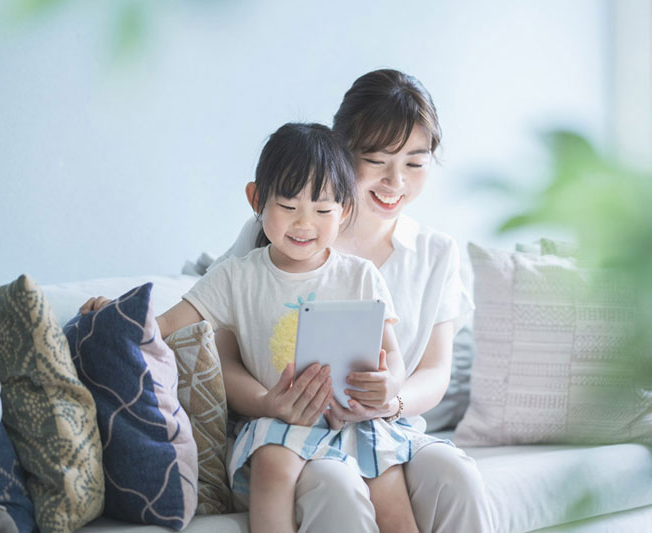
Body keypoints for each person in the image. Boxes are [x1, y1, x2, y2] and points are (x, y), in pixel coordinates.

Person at [82, 122, 436, 533]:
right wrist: (116, 312)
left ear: (345, 211)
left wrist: (390, 385)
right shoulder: (236, 277)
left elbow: (391, 353)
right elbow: (165, 324)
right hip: (278, 419)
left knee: (389, 485)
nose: (304, 224)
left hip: (355, 418)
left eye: (322, 210)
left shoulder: (361, 276)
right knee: (271, 464)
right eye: (288, 207)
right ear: (256, 199)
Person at [214, 69, 493, 532]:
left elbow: (436, 371)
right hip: (293, 434)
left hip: (389, 428)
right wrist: (270, 402)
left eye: (415, 163)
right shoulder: (283, 233)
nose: (395, 181)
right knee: (338, 487)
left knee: (457, 477)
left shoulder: (436, 252)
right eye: (377, 159)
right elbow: (214, 336)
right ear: (342, 152)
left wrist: (392, 400)